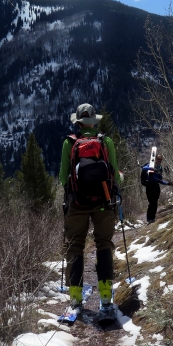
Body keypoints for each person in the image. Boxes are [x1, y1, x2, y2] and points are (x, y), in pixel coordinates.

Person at [59, 103, 122, 315]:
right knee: (104, 243)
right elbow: (113, 174)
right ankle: (105, 296)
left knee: (75, 245)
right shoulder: (106, 141)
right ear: (95, 122)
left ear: (77, 122)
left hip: (77, 202)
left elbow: (62, 177)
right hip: (103, 202)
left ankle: (75, 298)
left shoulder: (70, 143)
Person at [140, 153, 171, 224]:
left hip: (156, 187)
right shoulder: (150, 165)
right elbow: (144, 169)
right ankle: (149, 219)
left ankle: (153, 219)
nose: (159, 161)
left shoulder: (160, 168)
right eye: (158, 159)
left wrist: (167, 183)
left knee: (155, 203)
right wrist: (152, 168)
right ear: (155, 159)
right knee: (152, 203)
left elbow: (160, 180)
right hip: (149, 187)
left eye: (161, 159)